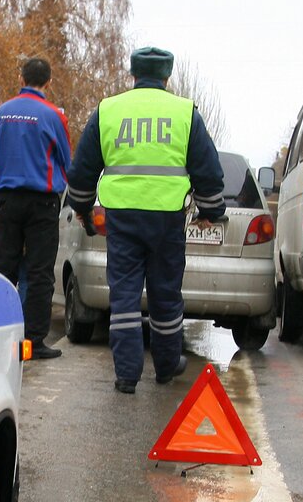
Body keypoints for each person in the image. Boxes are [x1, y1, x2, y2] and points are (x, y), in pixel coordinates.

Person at [65, 46, 224, 393]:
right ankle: (166, 366)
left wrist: (81, 205)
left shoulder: (109, 110)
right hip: (167, 218)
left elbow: (84, 167)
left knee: (123, 294)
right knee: (165, 293)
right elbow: (207, 167)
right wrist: (212, 211)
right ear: (166, 77)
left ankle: (126, 374)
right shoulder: (184, 112)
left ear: (133, 75)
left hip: (121, 217)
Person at [0, 58, 72, 360]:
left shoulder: (3, 111)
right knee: (39, 273)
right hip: (42, 203)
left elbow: (0, 147)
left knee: (1, 269)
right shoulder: (53, 115)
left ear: (21, 77)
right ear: (48, 82)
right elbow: (66, 159)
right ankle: (33, 342)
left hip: (7, 199)